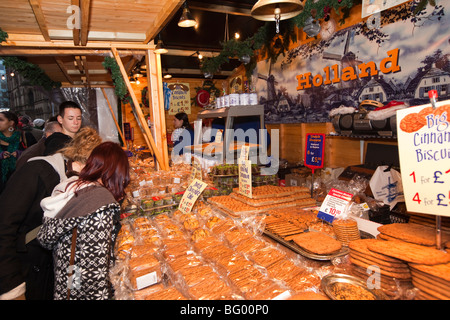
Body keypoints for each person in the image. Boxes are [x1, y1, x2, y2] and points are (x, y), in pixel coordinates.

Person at [0, 127, 102, 300]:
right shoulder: (35, 171)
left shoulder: (74, 179)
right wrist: (12, 288)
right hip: (25, 271)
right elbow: (4, 226)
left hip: (50, 272)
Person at [37, 141, 130, 300]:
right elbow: (95, 271)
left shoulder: (75, 187)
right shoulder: (99, 203)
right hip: (85, 291)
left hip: (69, 280)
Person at [0, 111, 26, 193]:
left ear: (11, 123)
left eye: (1, 120)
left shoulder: (25, 136)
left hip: (21, 182)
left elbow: (35, 155)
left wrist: (21, 154)